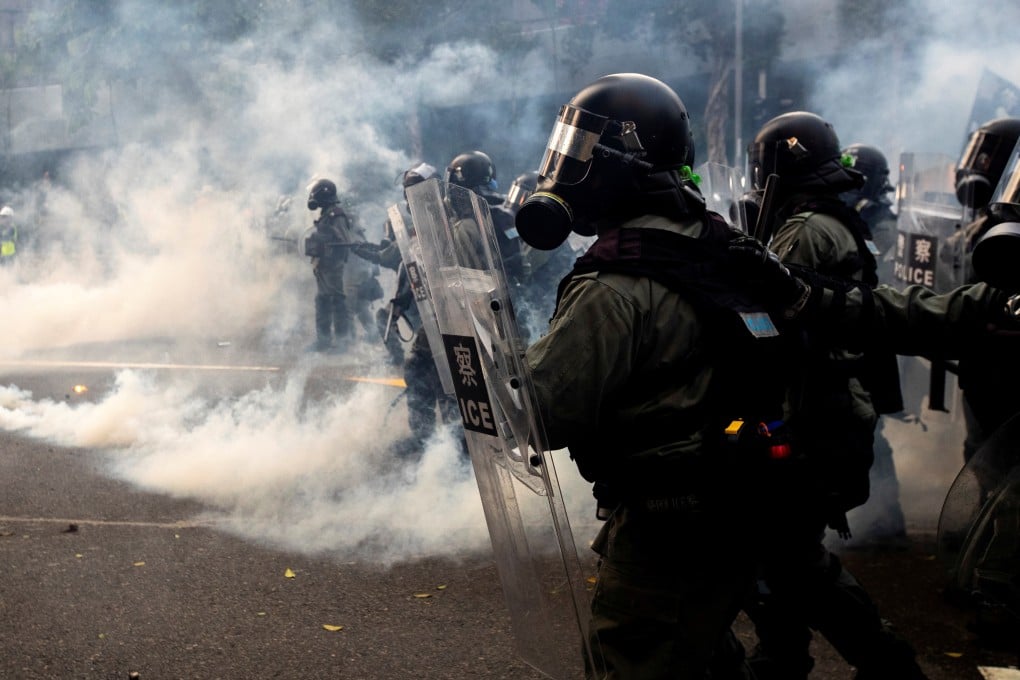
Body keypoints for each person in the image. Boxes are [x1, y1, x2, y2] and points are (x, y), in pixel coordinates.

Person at [514, 73, 1018, 680]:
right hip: (739, 490)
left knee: (637, 652)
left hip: (669, 518)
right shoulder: (716, 244)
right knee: (757, 604)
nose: (568, 169)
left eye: (583, 153)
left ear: (627, 163)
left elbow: (540, 413)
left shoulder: (615, 285)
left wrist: (492, 373)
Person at [741, 111, 927, 679]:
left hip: (811, 409)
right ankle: (781, 659)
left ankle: (888, 666)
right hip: (829, 404)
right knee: (777, 555)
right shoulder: (834, 220)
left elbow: (774, 319)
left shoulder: (802, 230)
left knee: (793, 559)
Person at [840, 142, 911, 548]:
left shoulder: (882, 225)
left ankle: (886, 519)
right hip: (865, 334)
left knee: (870, 426)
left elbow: (882, 284)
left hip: (874, 335)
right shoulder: (861, 218)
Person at [304, 177, 358, 352]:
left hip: (333, 266)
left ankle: (342, 341)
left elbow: (345, 242)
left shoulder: (336, 214)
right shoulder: (327, 214)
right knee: (322, 300)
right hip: (324, 265)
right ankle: (324, 340)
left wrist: (326, 247)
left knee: (336, 300)